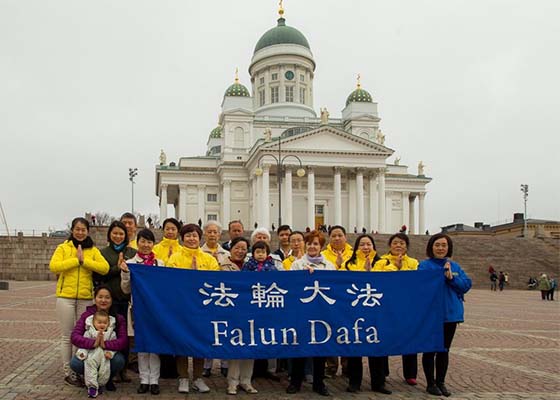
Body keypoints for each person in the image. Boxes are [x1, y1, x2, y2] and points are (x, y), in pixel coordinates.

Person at [50, 217, 110, 386]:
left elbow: (104, 268)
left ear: (88, 231)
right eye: (77, 229)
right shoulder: (63, 247)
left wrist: (84, 261)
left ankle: (80, 368)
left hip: (85, 297)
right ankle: (68, 372)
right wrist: (76, 260)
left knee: (82, 335)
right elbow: (54, 266)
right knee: (67, 336)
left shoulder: (93, 250)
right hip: (65, 297)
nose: (80, 232)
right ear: (72, 230)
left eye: (83, 230)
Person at [168, 223, 219, 394]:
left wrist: (198, 276)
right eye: (188, 235)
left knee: (199, 343)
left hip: (202, 308)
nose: (191, 239)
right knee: (181, 342)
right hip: (181, 307)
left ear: (199, 238)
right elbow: (171, 281)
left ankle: (198, 377)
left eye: (194, 235)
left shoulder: (209, 259)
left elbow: (214, 281)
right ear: (182, 238)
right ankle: (183, 377)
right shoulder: (174, 258)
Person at [419, 233, 472, 397]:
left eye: (444, 245)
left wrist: (451, 279)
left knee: (444, 350)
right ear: (431, 247)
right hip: (431, 315)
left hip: (450, 315)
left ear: (448, 248)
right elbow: (419, 287)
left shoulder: (454, 266)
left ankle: (441, 382)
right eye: (437, 245)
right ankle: (430, 383)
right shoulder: (424, 266)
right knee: (430, 350)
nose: (440, 248)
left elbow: (465, 285)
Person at [287, 230, 333, 397]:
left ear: (321, 247)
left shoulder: (329, 265)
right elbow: (291, 286)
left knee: (320, 348)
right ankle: (295, 381)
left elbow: (333, 286)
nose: (312, 246)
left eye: (316, 244)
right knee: (299, 347)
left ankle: (319, 382)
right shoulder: (297, 264)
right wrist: (303, 276)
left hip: (322, 313)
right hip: (302, 312)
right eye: (309, 243)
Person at [372, 233, 420, 393]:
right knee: (384, 338)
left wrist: (401, 268)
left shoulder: (413, 263)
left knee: (409, 339)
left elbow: (416, 281)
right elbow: (377, 279)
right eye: (395, 243)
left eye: (402, 243)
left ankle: (410, 373)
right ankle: (383, 371)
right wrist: (395, 268)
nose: (398, 245)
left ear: (406, 246)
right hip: (386, 306)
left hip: (407, 306)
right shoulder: (381, 261)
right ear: (390, 245)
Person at [120, 229, 165, 395]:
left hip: (155, 310)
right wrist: (125, 273)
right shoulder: (130, 263)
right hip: (138, 310)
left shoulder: (160, 264)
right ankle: (144, 380)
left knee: (154, 346)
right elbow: (125, 290)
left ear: (153, 244)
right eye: (143, 241)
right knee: (142, 346)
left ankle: (154, 380)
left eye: (149, 241)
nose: (146, 245)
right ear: (137, 242)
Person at [218, 236, 258, 395]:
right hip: (232, 311)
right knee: (236, 345)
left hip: (251, 310)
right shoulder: (222, 265)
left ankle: (246, 381)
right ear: (230, 248)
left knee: (251, 345)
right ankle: (232, 381)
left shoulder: (252, 265)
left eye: (243, 249)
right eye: (237, 248)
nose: (240, 251)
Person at [70, 285, 128, 393]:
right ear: (95, 298)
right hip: (90, 353)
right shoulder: (87, 316)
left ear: (112, 299)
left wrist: (105, 344)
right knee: (76, 363)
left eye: (107, 297)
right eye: (100, 297)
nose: (103, 300)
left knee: (118, 361)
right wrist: (93, 343)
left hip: (107, 353)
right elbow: (75, 337)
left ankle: (108, 379)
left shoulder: (118, 318)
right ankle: (91, 380)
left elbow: (123, 341)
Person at [342, 234, 381, 393]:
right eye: (362, 244)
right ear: (356, 247)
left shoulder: (382, 263)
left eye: (368, 244)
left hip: (376, 311)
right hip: (354, 311)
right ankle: (354, 382)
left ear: (373, 246)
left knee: (377, 347)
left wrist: (371, 271)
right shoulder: (348, 264)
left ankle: (378, 383)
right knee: (355, 348)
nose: (365, 247)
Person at [320, 225, 353, 377]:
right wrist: (337, 266)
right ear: (329, 238)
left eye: (340, 235)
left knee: (348, 331)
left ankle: (347, 366)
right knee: (329, 331)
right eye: (333, 235)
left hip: (348, 300)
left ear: (345, 237)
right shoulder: (323, 255)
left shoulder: (353, 254)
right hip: (329, 300)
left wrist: (341, 266)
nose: (337, 238)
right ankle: (331, 366)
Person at [200, 220, 230, 378]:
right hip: (206, 295)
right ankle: (207, 365)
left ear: (220, 235)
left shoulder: (226, 254)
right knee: (207, 331)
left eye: (215, 232)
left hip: (224, 296)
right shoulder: (199, 252)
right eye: (209, 232)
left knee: (224, 330)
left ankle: (225, 364)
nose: (212, 235)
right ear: (204, 234)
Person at [75, 310, 117, 398]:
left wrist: (110, 353)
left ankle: (101, 384)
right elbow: (84, 345)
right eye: (99, 322)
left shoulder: (111, 333)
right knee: (90, 368)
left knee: (104, 370)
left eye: (105, 323)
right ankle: (92, 387)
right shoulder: (89, 332)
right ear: (93, 323)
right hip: (92, 355)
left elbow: (114, 346)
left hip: (104, 356)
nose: (102, 325)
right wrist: (82, 353)